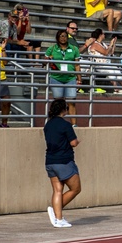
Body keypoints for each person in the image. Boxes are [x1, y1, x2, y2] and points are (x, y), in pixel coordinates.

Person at [44, 97, 81, 228]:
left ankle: (59, 219)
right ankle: (55, 211)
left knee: (57, 190)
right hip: (64, 161)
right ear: (63, 110)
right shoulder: (65, 125)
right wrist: (77, 141)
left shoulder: (48, 125)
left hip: (50, 161)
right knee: (76, 189)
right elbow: (73, 143)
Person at [44, 29, 80, 122]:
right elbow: (44, 63)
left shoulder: (74, 49)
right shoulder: (51, 49)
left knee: (72, 102)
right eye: (61, 36)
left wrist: (79, 79)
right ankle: (58, 122)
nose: (63, 38)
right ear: (57, 38)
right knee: (58, 102)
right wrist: (48, 59)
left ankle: (74, 124)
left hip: (70, 78)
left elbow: (77, 65)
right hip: (56, 78)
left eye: (64, 36)